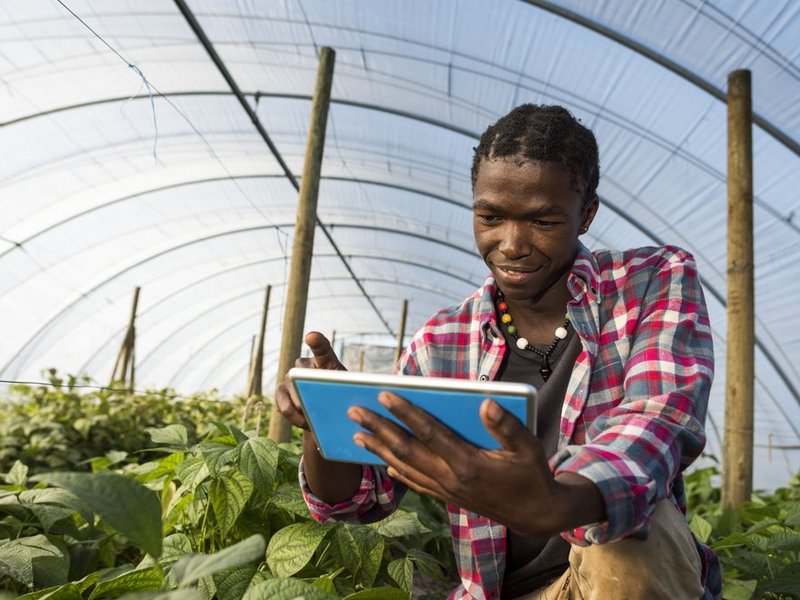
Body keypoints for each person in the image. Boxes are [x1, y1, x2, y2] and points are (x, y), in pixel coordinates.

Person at [276, 104, 721, 599]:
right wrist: (328, 424)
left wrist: (557, 502)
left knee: (636, 533)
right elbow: (359, 500)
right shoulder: (443, 342)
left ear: (586, 214)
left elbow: (657, 420)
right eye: (490, 217)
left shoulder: (649, 284)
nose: (511, 244)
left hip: (611, 582)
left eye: (543, 221)